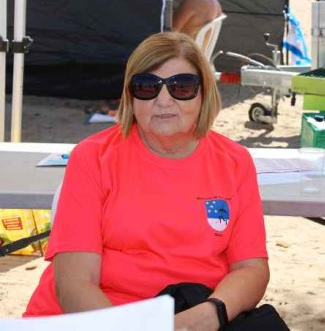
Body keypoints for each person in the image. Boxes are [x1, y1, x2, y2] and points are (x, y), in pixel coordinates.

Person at [24, 32, 289, 331]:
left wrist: (212, 312)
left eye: (182, 87)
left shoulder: (235, 161)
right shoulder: (93, 158)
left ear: (204, 94)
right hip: (99, 320)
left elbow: (251, 268)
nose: (164, 100)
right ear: (130, 95)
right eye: (147, 87)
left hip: (194, 314)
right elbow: (74, 285)